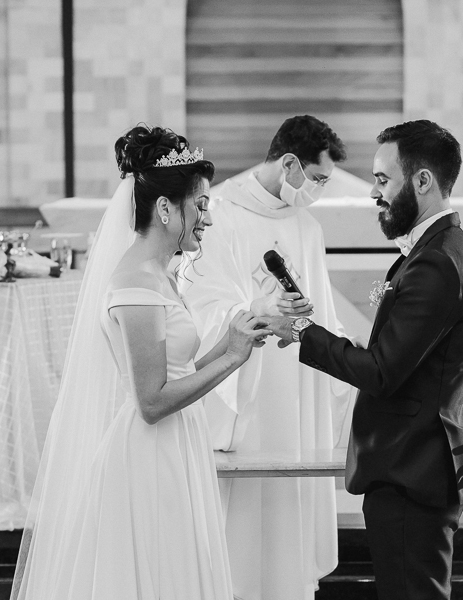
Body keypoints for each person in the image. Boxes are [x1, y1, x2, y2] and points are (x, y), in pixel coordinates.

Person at [10, 125, 271, 600]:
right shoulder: (136, 282)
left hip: (175, 443)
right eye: (202, 206)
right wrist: (231, 359)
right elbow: (150, 400)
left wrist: (237, 340)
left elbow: (179, 372)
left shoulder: (158, 275)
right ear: (167, 208)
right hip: (149, 453)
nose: (207, 219)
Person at [267, 120, 463, 600]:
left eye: (383, 180)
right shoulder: (443, 249)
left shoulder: (436, 261)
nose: (374, 193)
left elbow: (381, 372)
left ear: (422, 181)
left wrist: (301, 332)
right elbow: (451, 362)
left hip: (410, 470)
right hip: (421, 461)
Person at [180, 115, 353, 600]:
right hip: (250, 385)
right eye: (316, 179)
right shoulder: (220, 215)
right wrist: (258, 310)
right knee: (243, 520)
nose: (317, 190)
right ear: (290, 163)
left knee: (287, 510)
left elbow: (325, 313)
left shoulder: (307, 226)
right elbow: (203, 308)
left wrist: (348, 355)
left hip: (296, 387)